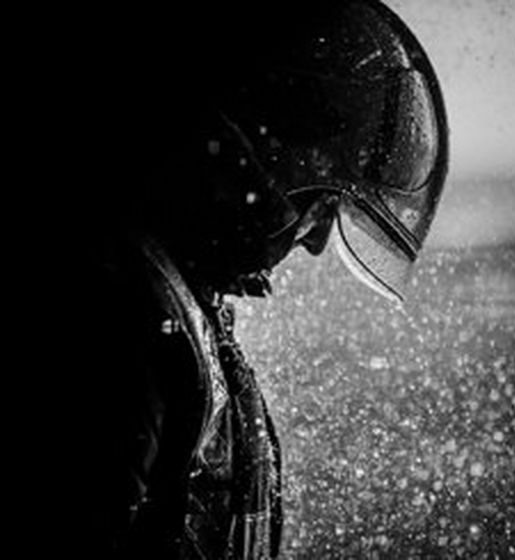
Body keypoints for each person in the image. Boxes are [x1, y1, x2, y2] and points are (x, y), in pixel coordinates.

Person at [54, 1, 448, 558]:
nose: (314, 242)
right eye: (323, 202)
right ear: (262, 149)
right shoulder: (117, 312)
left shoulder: (158, 291)